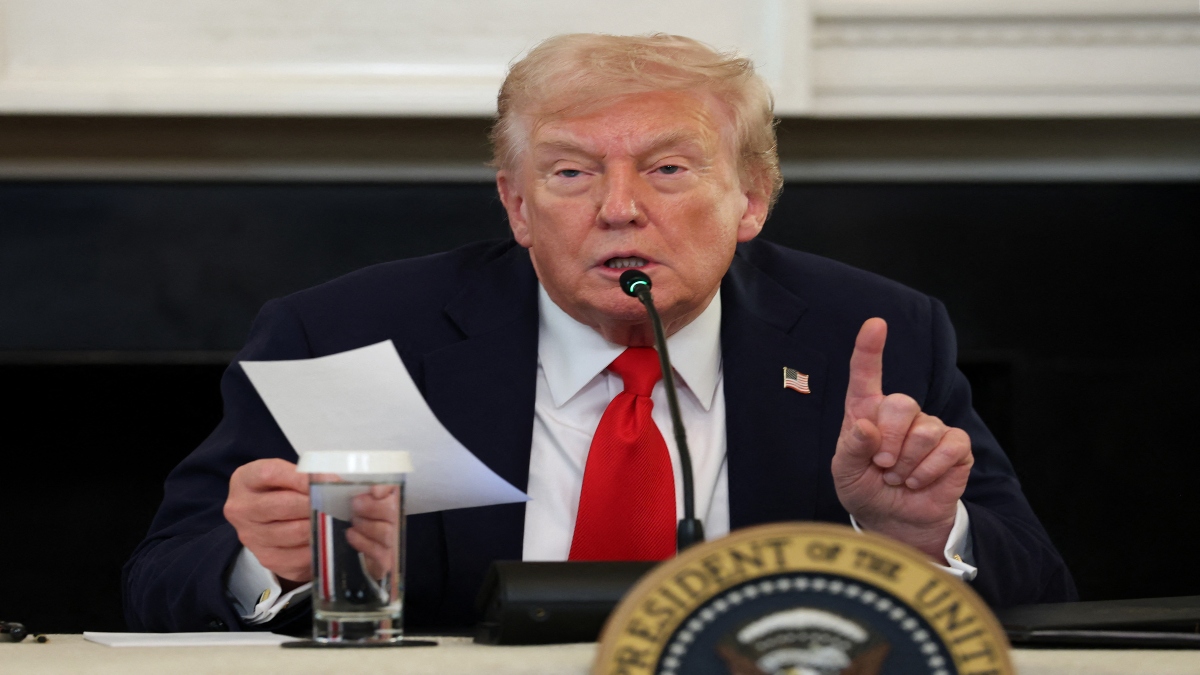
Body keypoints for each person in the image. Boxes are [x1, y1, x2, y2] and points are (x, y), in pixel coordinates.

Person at [123, 33, 1075, 634]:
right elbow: (159, 581)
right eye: (572, 174)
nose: (619, 209)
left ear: (751, 199)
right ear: (517, 204)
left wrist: (918, 534)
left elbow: (1042, 594)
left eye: (667, 170)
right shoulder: (346, 333)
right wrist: (268, 560)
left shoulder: (871, 334)